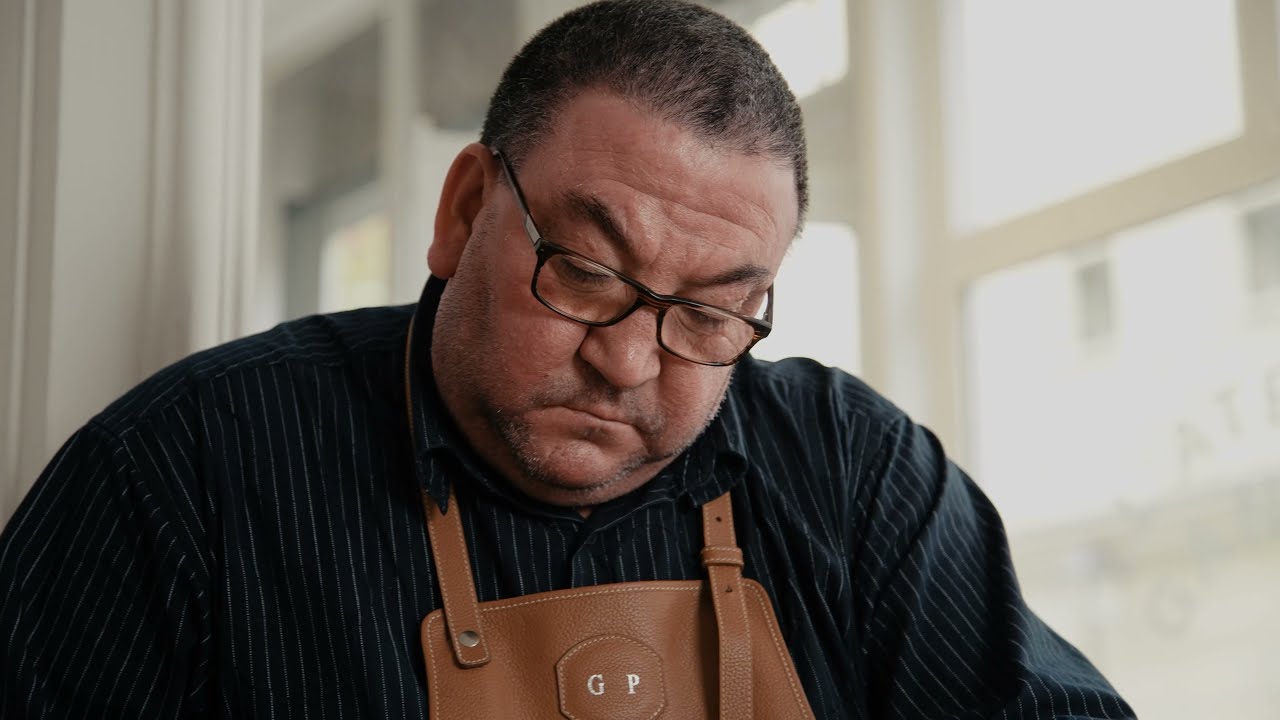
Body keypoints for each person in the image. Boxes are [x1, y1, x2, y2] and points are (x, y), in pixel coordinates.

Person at [0, 1, 1135, 717]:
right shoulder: (179, 477)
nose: (633, 364)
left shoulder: (853, 471)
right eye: (589, 274)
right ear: (463, 211)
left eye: (709, 314)